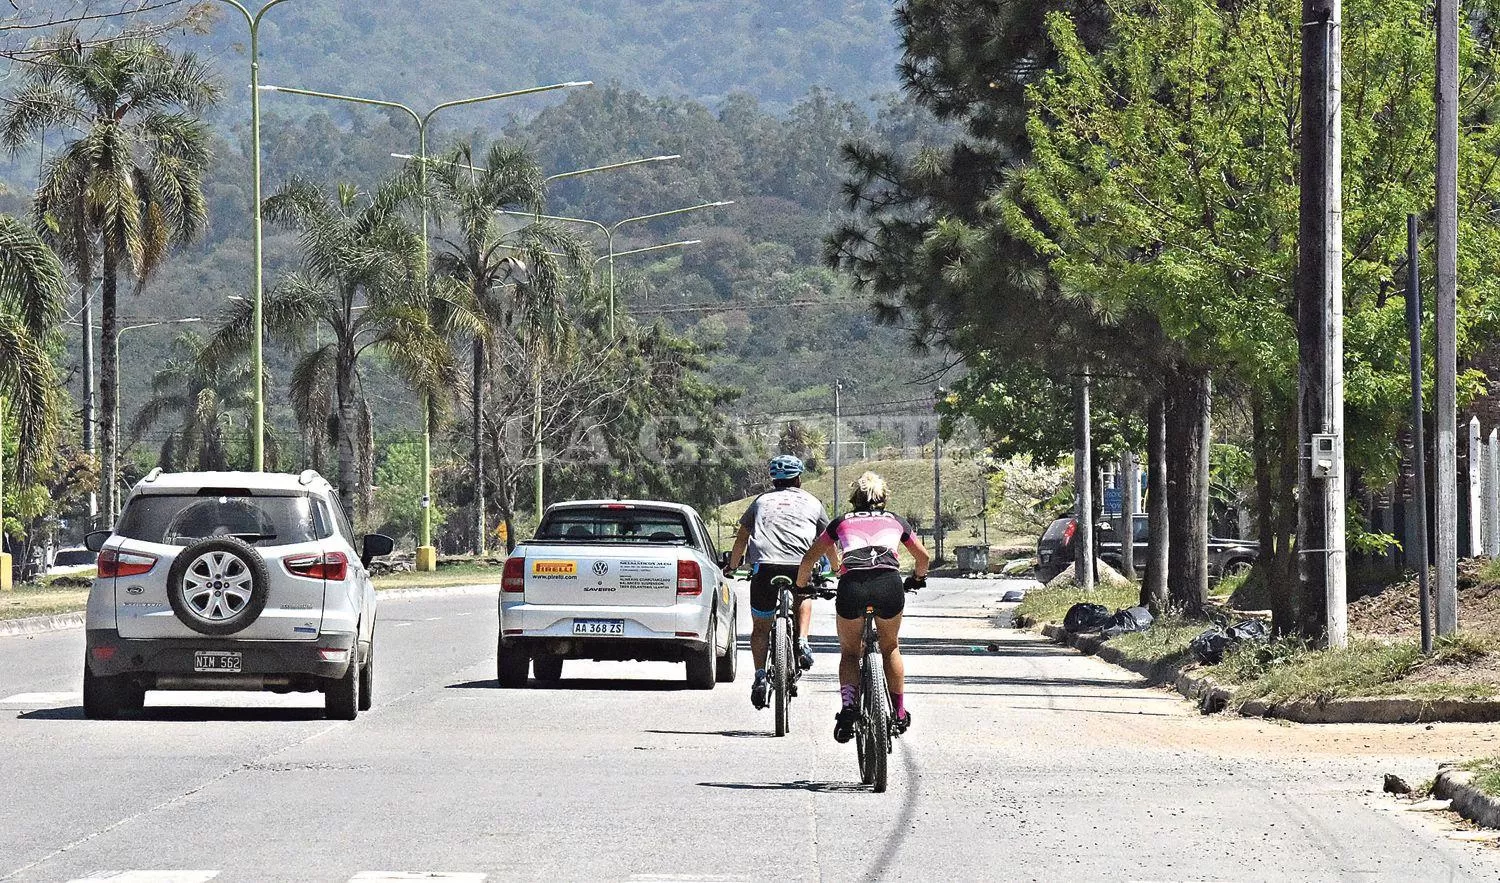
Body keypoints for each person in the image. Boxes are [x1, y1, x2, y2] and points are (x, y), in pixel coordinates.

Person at [796, 470, 928, 741]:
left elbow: (809, 559)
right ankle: (900, 712)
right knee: (890, 647)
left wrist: (801, 586)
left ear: (854, 497)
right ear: (883, 498)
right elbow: (922, 557)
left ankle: (848, 707)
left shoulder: (840, 522)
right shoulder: (897, 521)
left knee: (850, 653)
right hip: (888, 585)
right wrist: (917, 578)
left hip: (852, 587)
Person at [726, 455, 832, 710]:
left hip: (764, 566)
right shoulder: (813, 502)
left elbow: (742, 539)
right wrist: (836, 569)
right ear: (799, 478)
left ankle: (760, 675)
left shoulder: (760, 501)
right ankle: (802, 641)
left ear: (774, 479)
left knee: (760, 628)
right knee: (804, 594)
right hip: (800, 564)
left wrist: (732, 566)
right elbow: (828, 540)